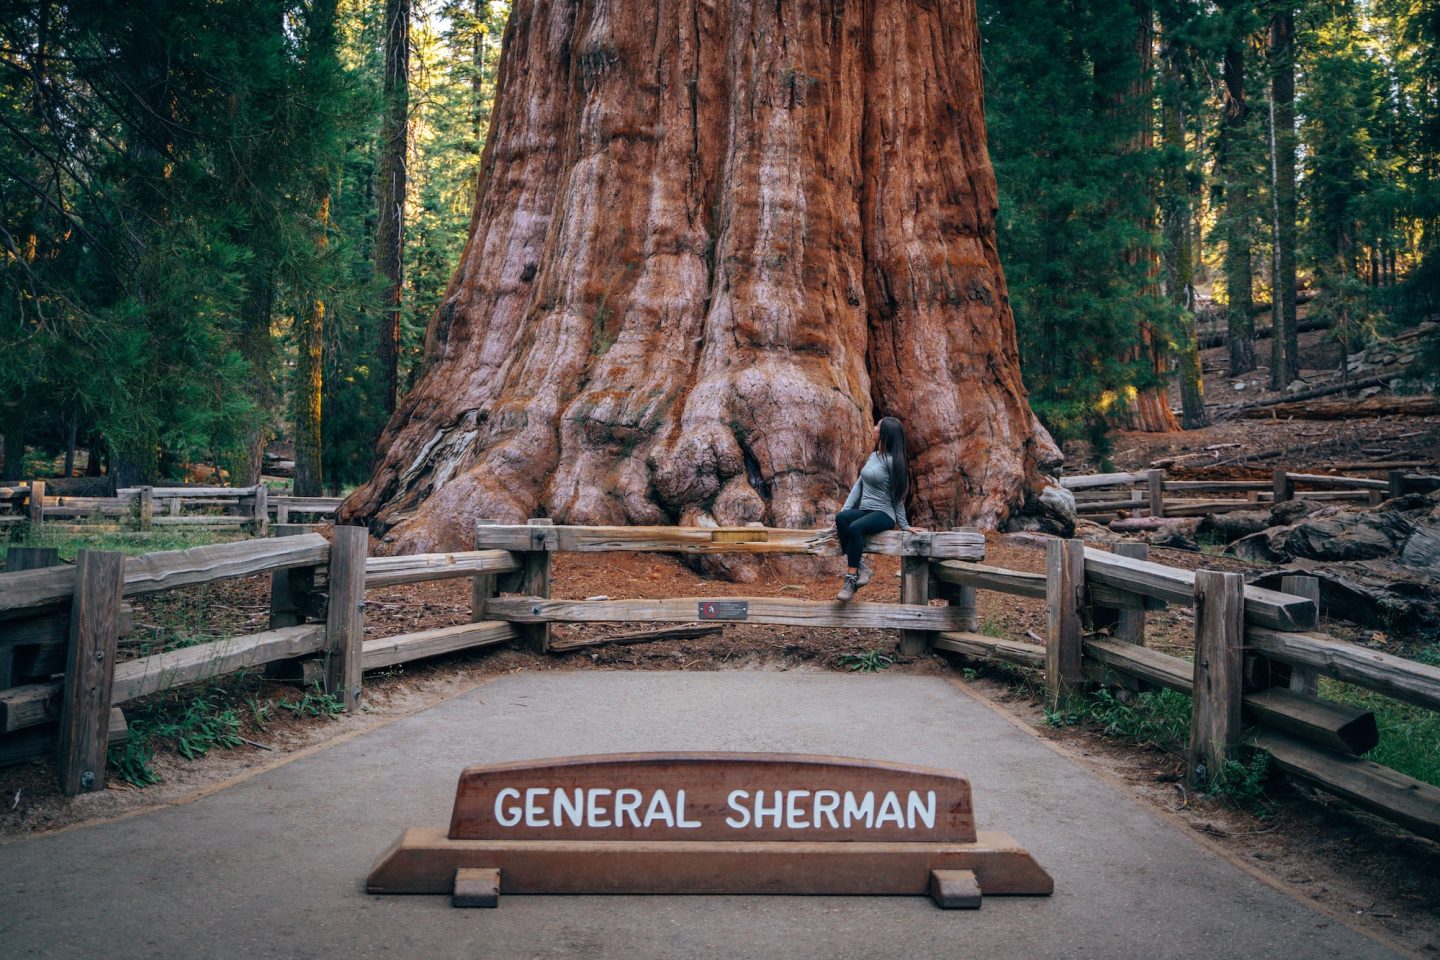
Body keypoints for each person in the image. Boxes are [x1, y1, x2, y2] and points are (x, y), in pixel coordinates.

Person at [834, 416, 924, 601]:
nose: (874, 428)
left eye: (878, 426)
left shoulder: (893, 462)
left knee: (855, 528)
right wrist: (846, 509)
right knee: (842, 519)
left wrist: (905, 525)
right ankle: (861, 567)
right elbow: (858, 486)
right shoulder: (873, 456)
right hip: (866, 509)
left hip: (884, 514)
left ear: (884, 434)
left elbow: (899, 496)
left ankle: (850, 580)